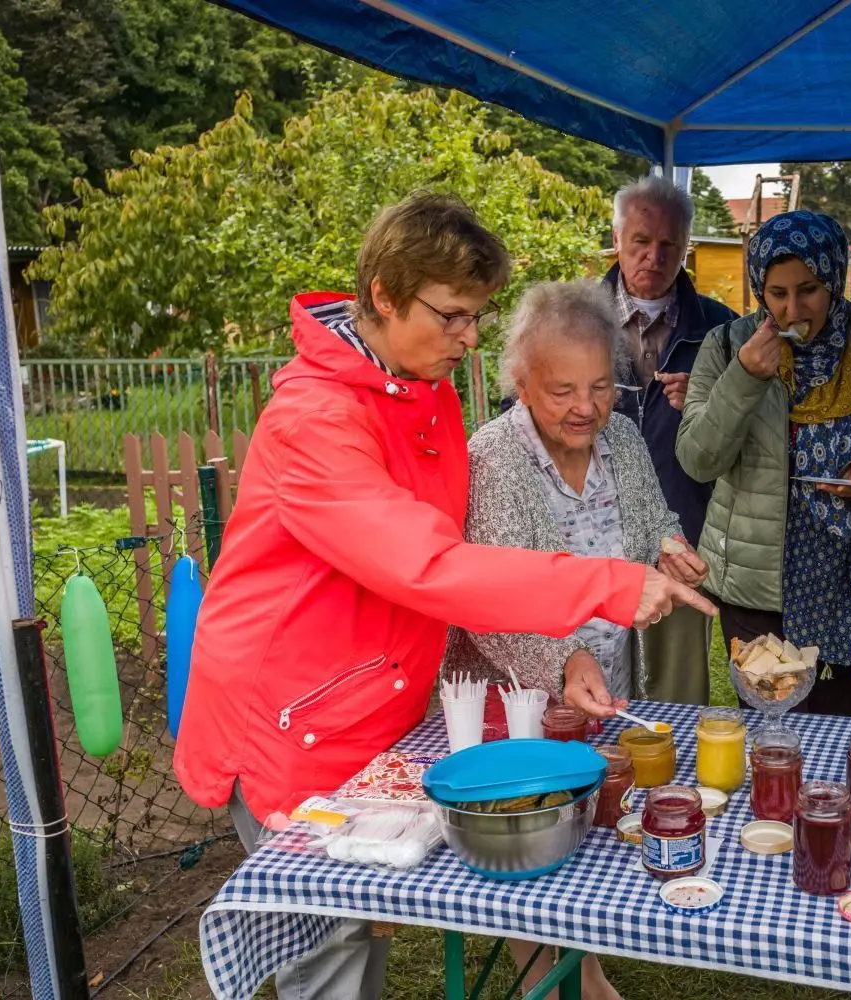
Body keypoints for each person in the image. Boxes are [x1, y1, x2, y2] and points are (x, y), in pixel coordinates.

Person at [174, 193, 713, 1000]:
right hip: (295, 724)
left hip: (378, 709)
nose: (468, 340)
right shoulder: (314, 422)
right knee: (333, 961)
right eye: (454, 316)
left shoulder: (419, 386)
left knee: (362, 941)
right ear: (385, 295)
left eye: (477, 318)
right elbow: (428, 565)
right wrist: (604, 582)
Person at [677, 210, 851, 717]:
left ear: (833, 280)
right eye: (776, 293)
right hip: (755, 578)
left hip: (845, 575)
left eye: (808, 289)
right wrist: (744, 377)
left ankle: (828, 800)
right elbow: (698, 458)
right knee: (770, 723)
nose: (792, 309)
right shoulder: (727, 347)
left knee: (837, 718)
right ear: (758, 289)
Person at [444, 279, 707, 706]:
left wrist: (671, 551)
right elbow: (489, 606)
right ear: (523, 386)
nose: (586, 407)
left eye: (601, 387)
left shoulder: (623, 439)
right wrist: (566, 661)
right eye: (563, 391)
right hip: (517, 711)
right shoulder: (494, 461)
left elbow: (656, 523)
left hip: (612, 693)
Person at [603, 177, 737, 704]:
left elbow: (748, 443)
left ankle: (674, 790)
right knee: (593, 688)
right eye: (641, 241)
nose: (654, 257)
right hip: (593, 539)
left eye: (669, 245)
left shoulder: (722, 332)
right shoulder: (571, 320)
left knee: (675, 699)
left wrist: (708, 404)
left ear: (687, 248)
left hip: (685, 534)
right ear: (616, 239)